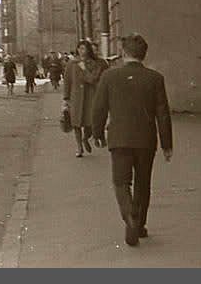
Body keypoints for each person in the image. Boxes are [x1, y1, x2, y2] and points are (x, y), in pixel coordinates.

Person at [91, 33, 173, 247]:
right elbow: (163, 113)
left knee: (121, 181)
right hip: (146, 139)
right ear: (144, 55)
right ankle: (139, 223)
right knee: (143, 183)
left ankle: (129, 214)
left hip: (119, 138)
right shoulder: (155, 78)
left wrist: (97, 133)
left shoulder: (109, 76)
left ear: (123, 53)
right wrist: (167, 144)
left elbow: (99, 108)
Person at [63, 39, 108, 156]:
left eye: (84, 48)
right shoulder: (71, 64)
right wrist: (66, 98)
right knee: (76, 123)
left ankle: (86, 138)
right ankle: (79, 148)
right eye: (80, 48)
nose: (82, 51)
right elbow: (67, 81)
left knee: (90, 123)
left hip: (90, 97)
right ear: (77, 49)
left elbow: (93, 79)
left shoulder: (94, 64)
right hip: (76, 97)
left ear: (88, 50)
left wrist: (84, 69)